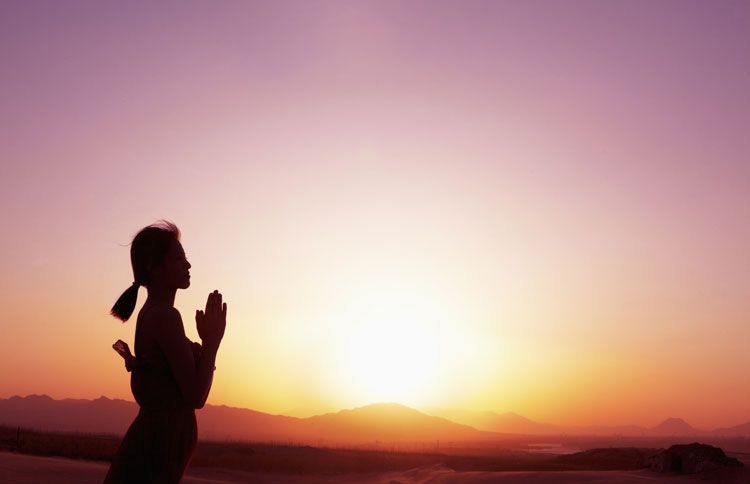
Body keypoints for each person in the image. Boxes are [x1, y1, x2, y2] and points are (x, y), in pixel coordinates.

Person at [104, 221, 227, 483]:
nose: (188, 265)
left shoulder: (152, 313)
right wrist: (212, 343)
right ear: (155, 267)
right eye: (179, 258)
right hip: (157, 451)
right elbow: (195, 396)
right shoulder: (165, 316)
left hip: (155, 446)